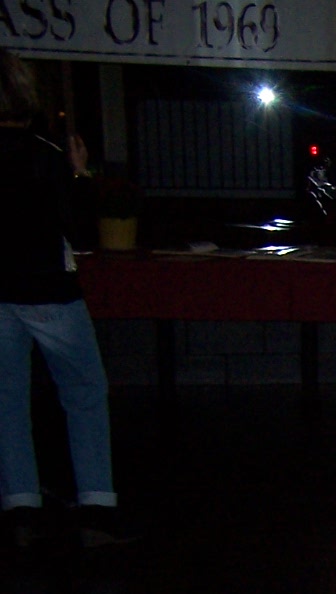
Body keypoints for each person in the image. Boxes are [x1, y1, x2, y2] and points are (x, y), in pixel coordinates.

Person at [0, 50, 134, 551]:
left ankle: (21, 507)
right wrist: (79, 175)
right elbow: (77, 230)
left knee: (6, 399)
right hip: (49, 289)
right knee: (83, 391)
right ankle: (97, 505)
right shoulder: (45, 154)